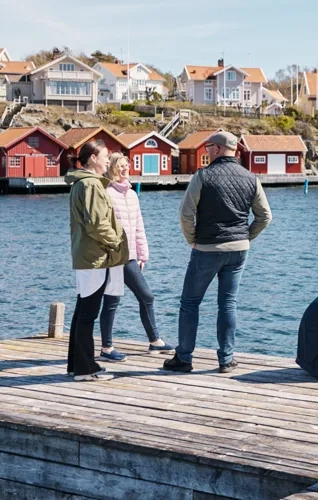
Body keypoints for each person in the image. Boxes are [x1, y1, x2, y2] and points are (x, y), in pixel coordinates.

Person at [163, 131, 272, 374]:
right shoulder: (251, 178)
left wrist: (191, 239)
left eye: (209, 147)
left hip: (207, 248)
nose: (207, 151)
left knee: (190, 303)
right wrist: (246, 237)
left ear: (218, 148)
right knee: (228, 304)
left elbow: (185, 213)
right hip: (238, 250)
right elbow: (265, 216)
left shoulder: (203, 176)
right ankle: (226, 359)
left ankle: (184, 358)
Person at [98, 153, 175, 362]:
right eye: (120, 166)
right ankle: (106, 348)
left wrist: (142, 255)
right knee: (112, 300)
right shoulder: (106, 193)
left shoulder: (132, 194)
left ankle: (155, 341)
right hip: (114, 257)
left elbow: (139, 226)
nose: (125, 169)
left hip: (131, 256)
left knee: (146, 297)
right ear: (112, 168)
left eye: (127, 165)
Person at [64, 140, 128, 382]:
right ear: (92, 158)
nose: (108, 160)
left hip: (88, 256)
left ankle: (76, 365)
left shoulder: (82, 183)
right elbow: (97, 223)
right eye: (105, 156)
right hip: (95, 257)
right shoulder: (90, 185)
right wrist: (116, 243)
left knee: (82, 310)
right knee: (88, 313)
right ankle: (85, 369)